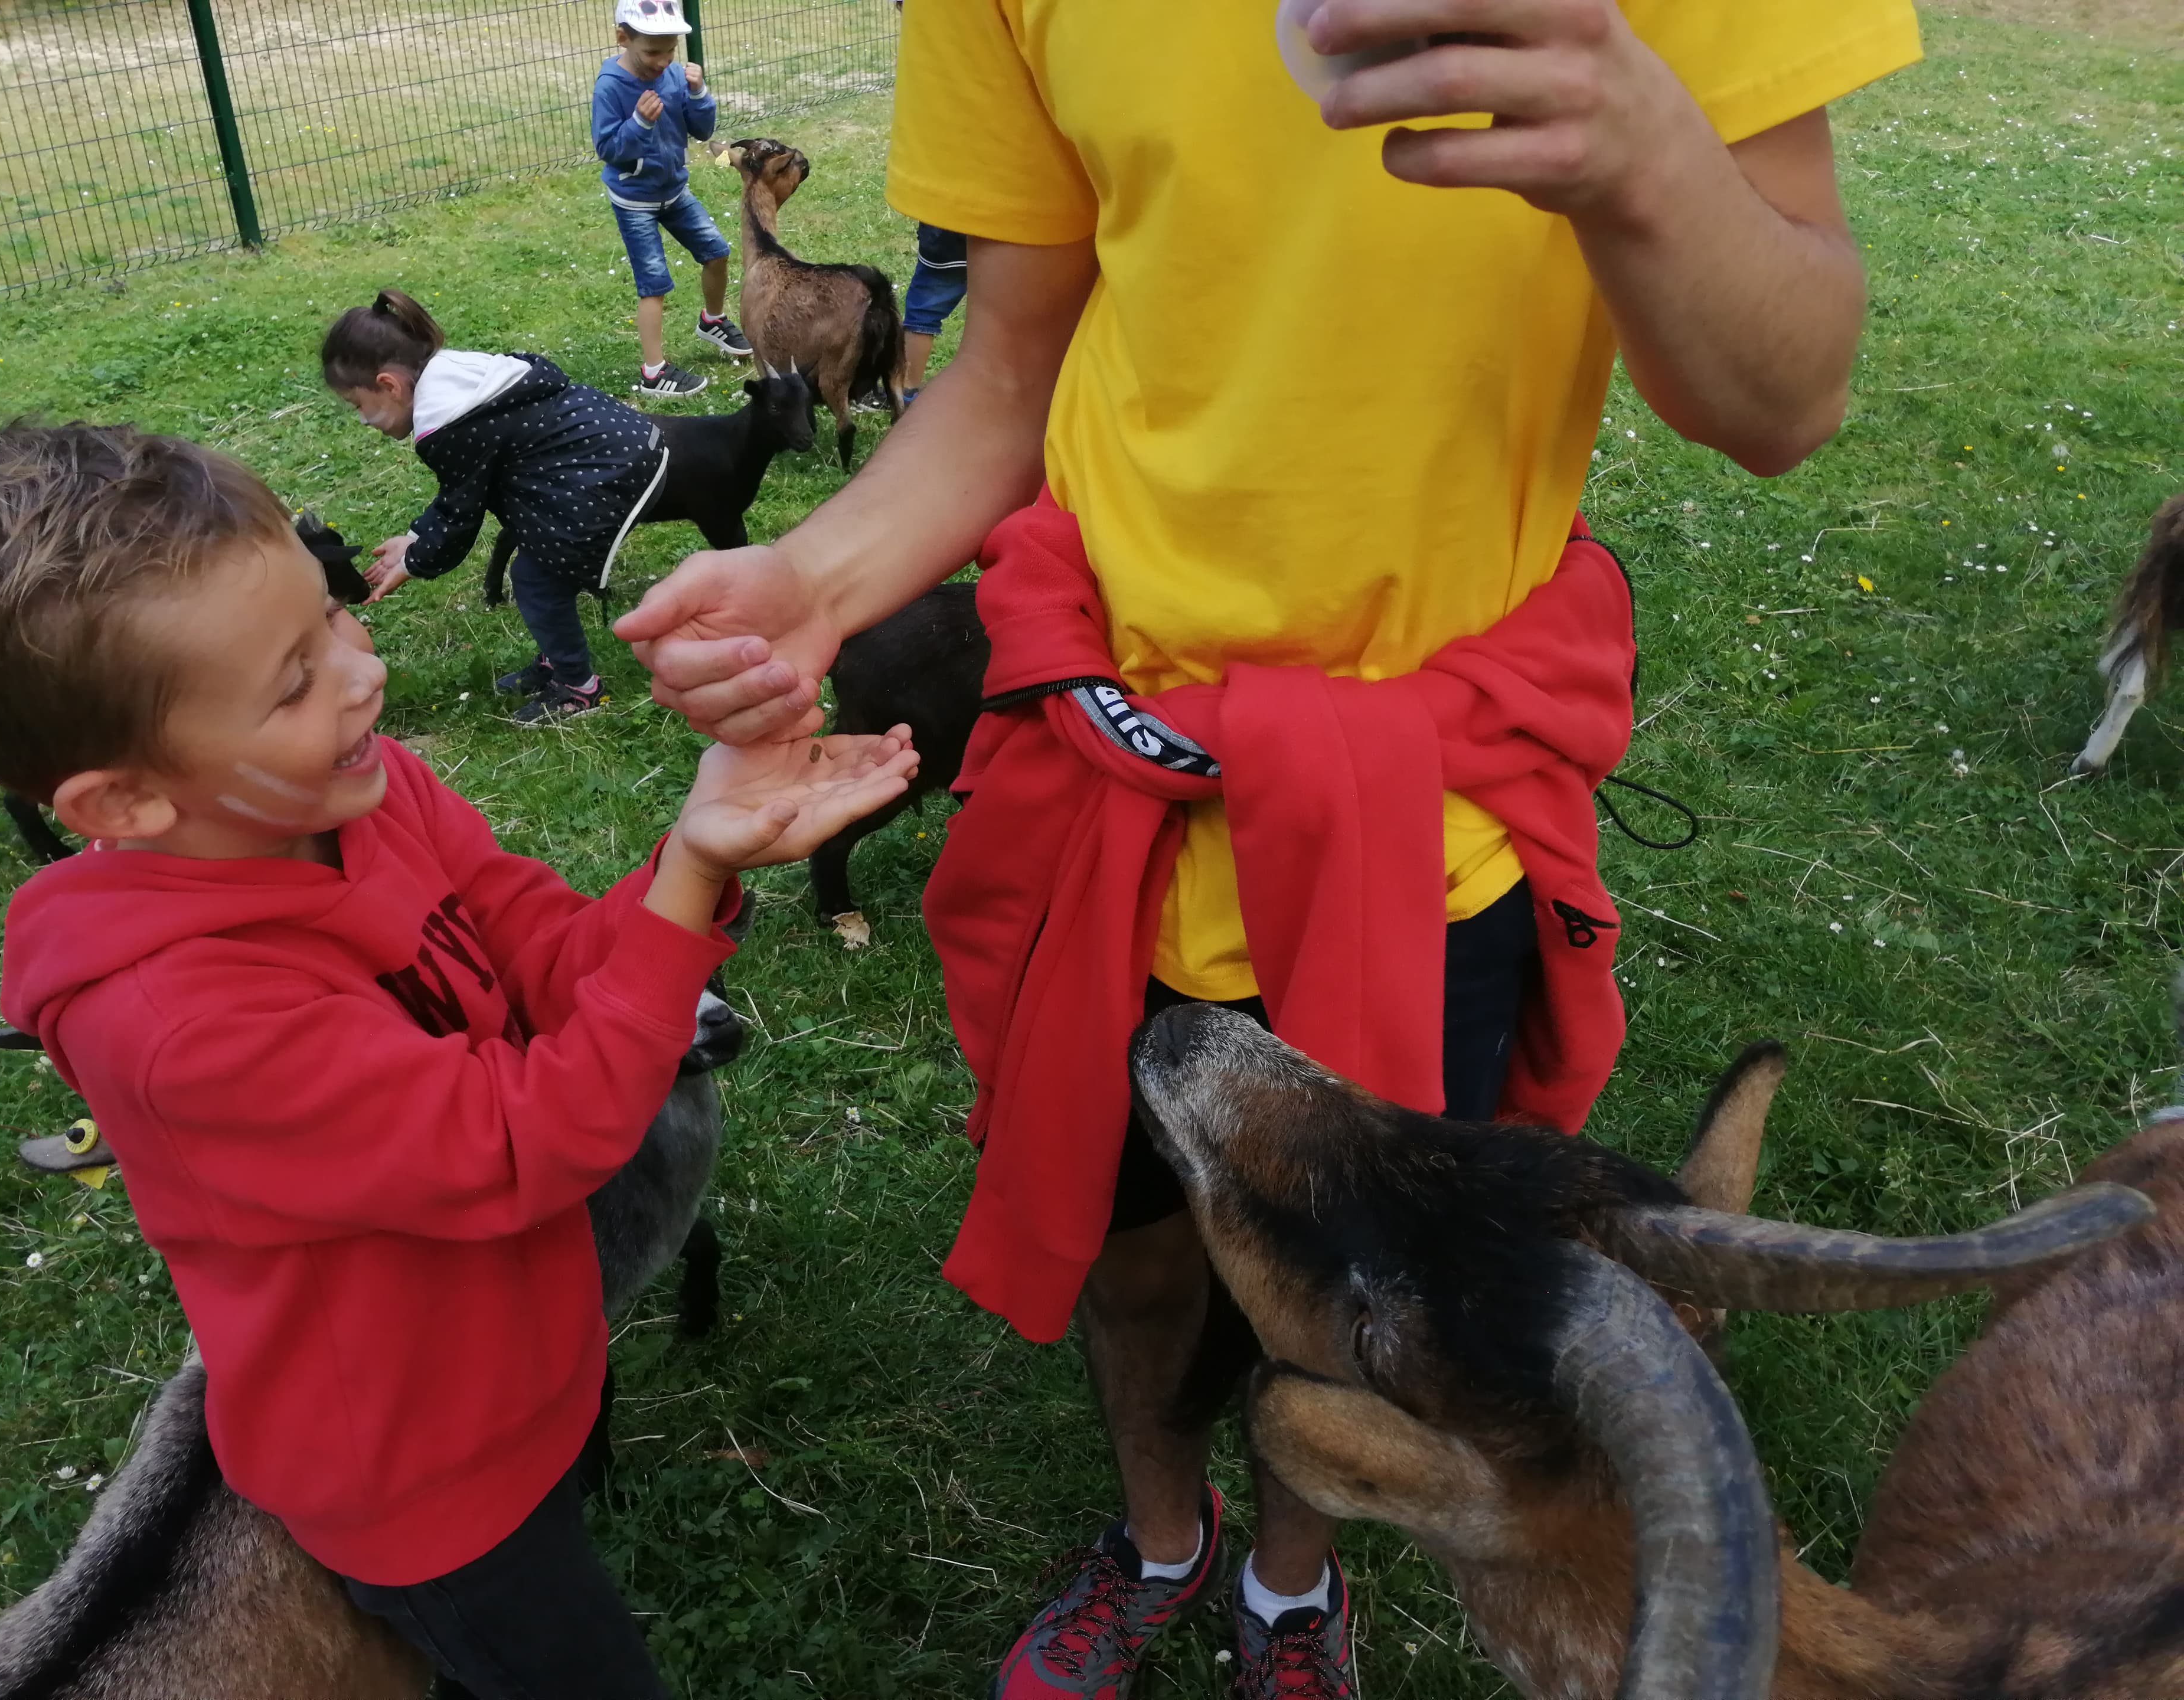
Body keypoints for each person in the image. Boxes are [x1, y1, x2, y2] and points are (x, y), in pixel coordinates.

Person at [615, 0, 1921, 1694]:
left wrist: (1635, 144)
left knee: (1364, 1295)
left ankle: (1293, 1588)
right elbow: (1012, 363)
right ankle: (1164, 1536)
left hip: (1420, 817)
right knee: (1129, 1244)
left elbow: (1785, 397)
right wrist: (818, 577)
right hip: (1107, 771)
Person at [0, 422, 919, 1700]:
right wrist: (689, 875)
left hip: (521, 1346)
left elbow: (549, 956)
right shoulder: (181, 1025)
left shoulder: (365, 795)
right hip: (420, 1476)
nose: (363, 669)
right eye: (292, 683)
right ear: (123, 805)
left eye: (332, 614)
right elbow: (526, 1142)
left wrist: (699, 850)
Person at [324, 288, 666, 725]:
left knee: (536, 579)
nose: (362, 419)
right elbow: (462, 492)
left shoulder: (447, 423)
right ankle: (557, 656)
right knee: (539, 563)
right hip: (622, 449)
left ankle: (579, 689)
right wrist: (414, 536)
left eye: (359, 405)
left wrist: (414, 562)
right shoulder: (453, 379)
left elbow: (461, 520)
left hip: (607, 472)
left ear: (389, 386)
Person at [596, 0, 749, 400]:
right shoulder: (611, 85)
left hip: (675, 191)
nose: (664, 61)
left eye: (671, 51)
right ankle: (654, 372)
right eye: (653, 52)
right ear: (623, 38)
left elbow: (703, 131)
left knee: (717, 252)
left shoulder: (674, 76)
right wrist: (639, 123)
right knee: (654, 284)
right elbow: (608, 148)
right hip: (635, 200)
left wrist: (698, 94)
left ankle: (712, 320)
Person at [862, 222, 967, 412]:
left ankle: (905, 389)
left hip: (950, 238)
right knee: (996, 315)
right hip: (1005, 236)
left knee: (923, 315)